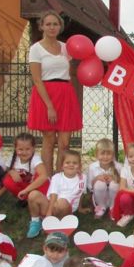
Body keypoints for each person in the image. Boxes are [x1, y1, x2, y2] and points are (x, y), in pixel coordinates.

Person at [26, 11, 81, 175]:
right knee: (49, 139)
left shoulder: (66, 48)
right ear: (42, 26)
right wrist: (49, 106)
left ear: (60, 27)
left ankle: (61, 178)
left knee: (65, 142)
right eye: (48, 24)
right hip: (45, 95)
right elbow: (37, 80)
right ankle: (47, 178)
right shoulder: (36, 49)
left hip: (65, 94)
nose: (52, 27)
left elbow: (72, 72)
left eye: (55, 24)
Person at [26, 149, 86, 238]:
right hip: (52, 205)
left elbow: (81, 194)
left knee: (62, 203)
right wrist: (49, 213)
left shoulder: (83, 178)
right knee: (33, 195)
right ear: (62, 166)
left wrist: (80, 208)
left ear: (79, 166)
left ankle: (58, 226)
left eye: (75, 163)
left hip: (67, 208)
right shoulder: (57, 177)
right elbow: (53, 195)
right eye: (67, 162)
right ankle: (36, 221)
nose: (71, 165)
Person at [1, 132, 49, 206]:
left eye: (27, 149)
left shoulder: (35, 158)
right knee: (7, 180)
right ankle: (25, 199)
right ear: (15, 148)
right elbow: (7, 169)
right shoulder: (13, 157)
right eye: (20, 149)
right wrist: (11, 171)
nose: (24, 152)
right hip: (25, 185)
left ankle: (40, 200)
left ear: (33, 148)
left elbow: (44, 176)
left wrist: (26, 190)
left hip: (36, 187)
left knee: (41, 178)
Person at [87, 138, 121, 218]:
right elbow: (89, 187)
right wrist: (96, 179)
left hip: (114, 197)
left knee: (114, 184)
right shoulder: (92, 167)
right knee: (100, 184)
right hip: (99, 197)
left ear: (113, 155)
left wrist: (114, 178)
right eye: (102, 153)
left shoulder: (119, 166)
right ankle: (101, 207)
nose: (105, 157)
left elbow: (123, 184)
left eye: (108, 154)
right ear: (96, 154)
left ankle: (113, 207)